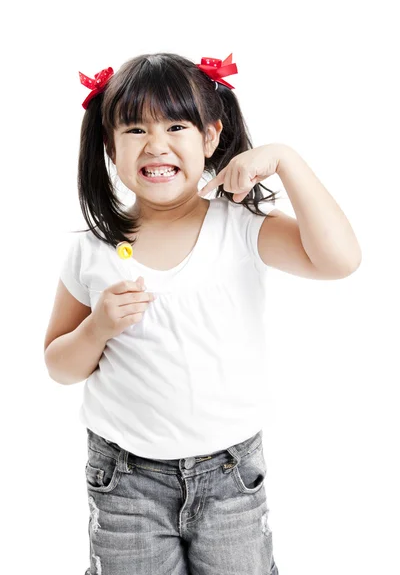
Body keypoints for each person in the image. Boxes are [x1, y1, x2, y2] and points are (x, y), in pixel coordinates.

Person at [43, 51, 361, 575]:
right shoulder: (95, 249)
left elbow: (340, 260)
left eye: (176, 125)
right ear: (109, 147)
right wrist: (97, 327)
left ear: (211, 137)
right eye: (134, 128)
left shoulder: (241, 226)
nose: (156, 143)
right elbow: (58, 365)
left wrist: (285, 158)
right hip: (126, 481)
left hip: (231, 476)